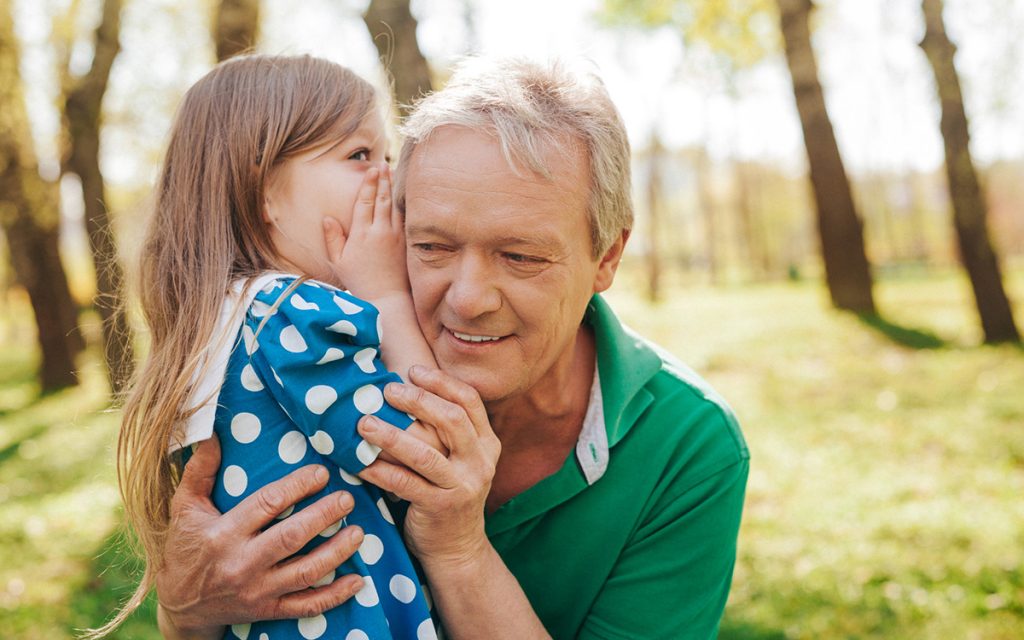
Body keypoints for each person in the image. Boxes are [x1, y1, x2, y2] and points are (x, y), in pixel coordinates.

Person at [154, 57, 750, 640]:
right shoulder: (328, 352)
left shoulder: (688, 444)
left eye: (520, 257)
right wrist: (186, 617)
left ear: (607, 257)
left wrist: (459, 549)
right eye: (432, 247)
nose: (467, 300)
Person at [102, 55, 446, 640]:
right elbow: (430, 452)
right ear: (264, 192)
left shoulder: (224, 318)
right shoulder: (293, 313)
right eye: (360, 155)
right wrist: (386, 291)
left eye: (386, 157)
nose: (389, 181)